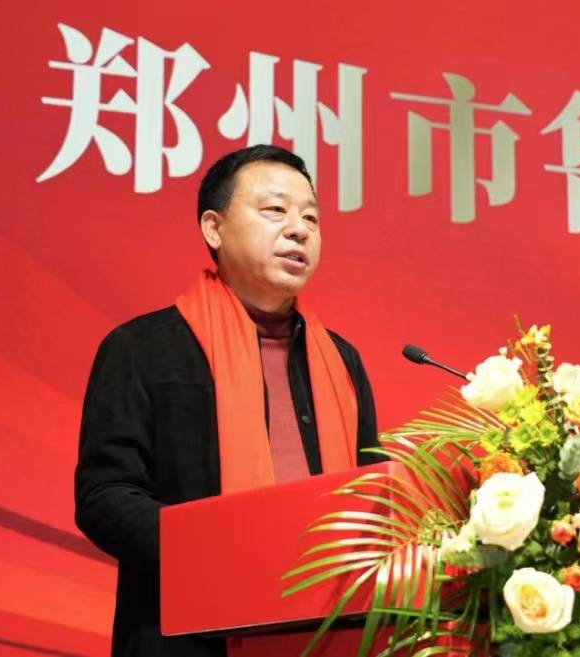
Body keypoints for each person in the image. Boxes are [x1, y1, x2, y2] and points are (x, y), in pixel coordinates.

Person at [74, 145, 381, 657]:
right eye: (275, 210)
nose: (299, 230)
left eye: (311, 217)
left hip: (327, 635)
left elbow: (371, 495)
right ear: (213, 228)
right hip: (188, 638)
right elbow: (105, 496)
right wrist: (223, 551)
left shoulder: (341, 361)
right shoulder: (143, 349)